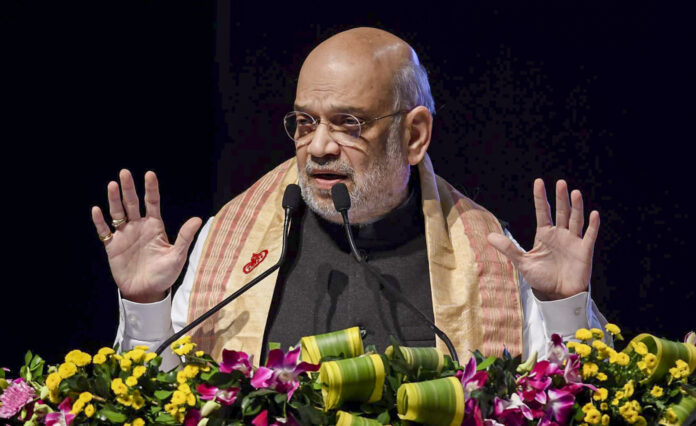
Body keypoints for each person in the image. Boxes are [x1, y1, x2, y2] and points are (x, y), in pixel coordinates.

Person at [91, 27, 608, 370]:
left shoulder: (488, 256)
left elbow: (559, 404)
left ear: (414, 135)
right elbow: (168, 401)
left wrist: (564, 307)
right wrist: (147, 305)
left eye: (348, 123)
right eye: (305, 122)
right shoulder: (229, 243)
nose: (318, 147)